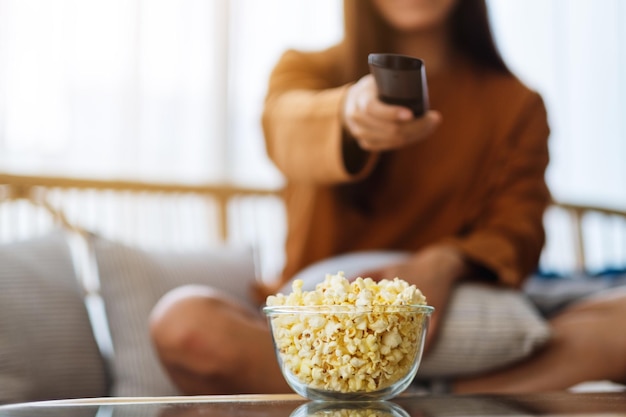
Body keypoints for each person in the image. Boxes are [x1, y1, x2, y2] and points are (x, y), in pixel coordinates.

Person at [149, 0, 626, 395]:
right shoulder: (305, 70)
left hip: (465, 314)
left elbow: (518, 232)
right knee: (184, 321)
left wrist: (440, 266)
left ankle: (423, 399)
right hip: (317, 334)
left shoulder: (517, 104)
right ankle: (432, 401)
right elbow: (285, 129)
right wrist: (349, 111)